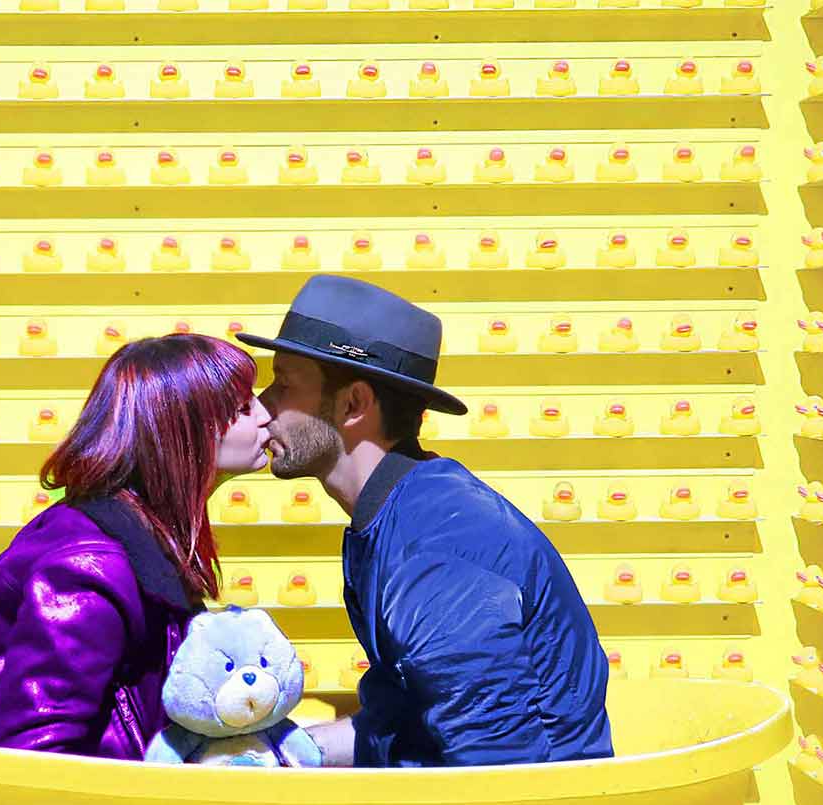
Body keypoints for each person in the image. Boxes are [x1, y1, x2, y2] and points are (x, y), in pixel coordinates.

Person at [239, 275, 613, 768]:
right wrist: (279, 754)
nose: (264, 407)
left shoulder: (435, 550)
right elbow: (410, 728)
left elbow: (498, 771)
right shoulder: (402, 514)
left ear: (353, 404)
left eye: (284, 383)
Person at [0, 333, 272, 758]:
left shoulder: (139, 530)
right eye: (244, 408)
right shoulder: (89, 568)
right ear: (186, 431)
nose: (266, 416)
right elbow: (34, 751)